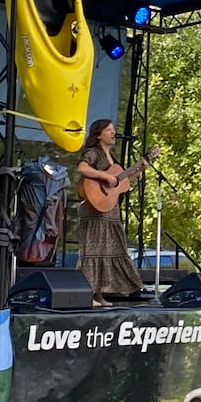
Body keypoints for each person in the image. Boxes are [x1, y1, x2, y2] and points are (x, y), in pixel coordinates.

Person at [73, 118, 145, 308]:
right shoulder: (93, 153)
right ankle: (87, 294)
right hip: (95, 210)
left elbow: (121, 183)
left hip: (111, 211)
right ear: (98, 134)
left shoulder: (113, 158)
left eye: (113, 130)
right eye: (109, 130)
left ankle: (100, 294)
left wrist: (139, 170)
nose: (113, 132)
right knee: (93, 251)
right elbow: (82, 168)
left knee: (109, 250)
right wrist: (105, 176)